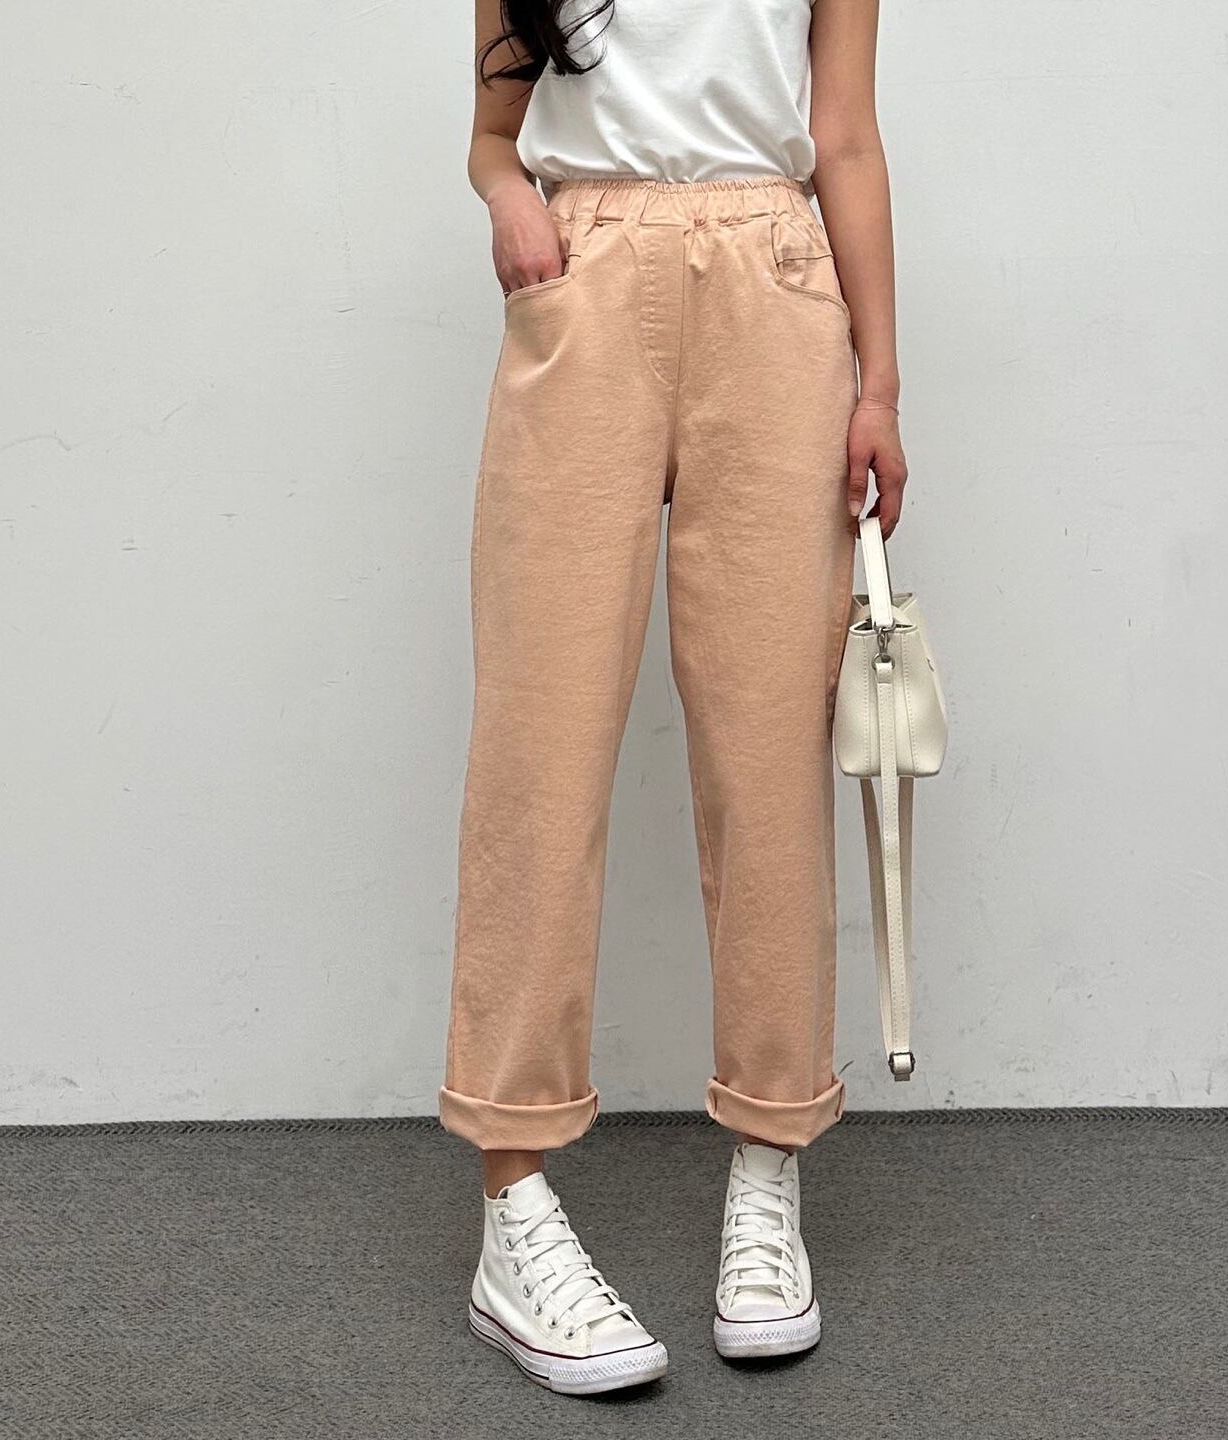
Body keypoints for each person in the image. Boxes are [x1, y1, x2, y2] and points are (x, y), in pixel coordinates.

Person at [441, 0, 906, 1394]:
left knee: (768, 758)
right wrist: (511, 199)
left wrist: (880, 383)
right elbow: (489, 137)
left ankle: (769, 1168)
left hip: (777, 287)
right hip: (585, 280)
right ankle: (511, 1200)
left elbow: (844, 135)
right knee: (541, 745)